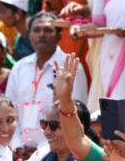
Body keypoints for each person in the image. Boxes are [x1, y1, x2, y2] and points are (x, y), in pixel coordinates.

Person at [5, 13, 87, 149]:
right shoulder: (19, 67)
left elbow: (79, 114)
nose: (41, 34)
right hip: (19, 151)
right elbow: (9, 111)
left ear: (59, 36)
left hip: (57, 150)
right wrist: (16, 145)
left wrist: (42, 153)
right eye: (36, 30)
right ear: (29, 35)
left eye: (48, 30)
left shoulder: (71, 67)